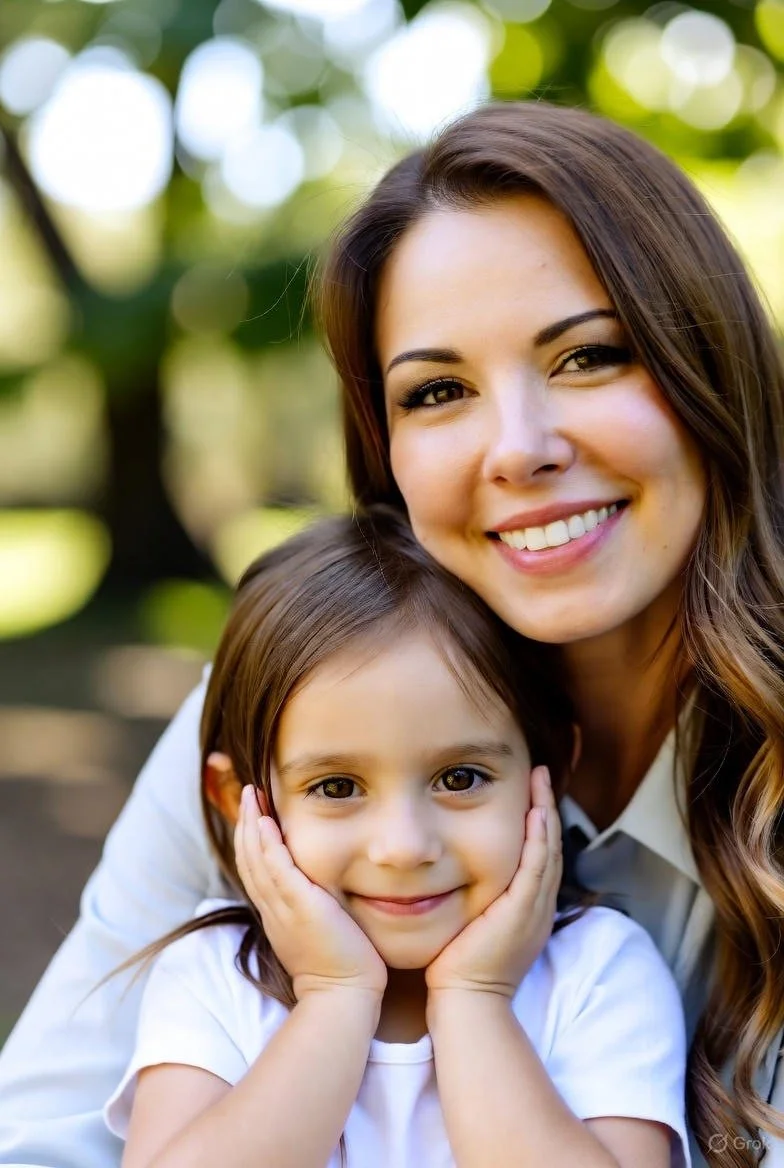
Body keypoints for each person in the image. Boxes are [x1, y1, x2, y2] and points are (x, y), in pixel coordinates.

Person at [0, 99, 781, 1168]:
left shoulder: (601, 970)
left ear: (710, 367)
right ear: (383, 442)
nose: (519, 448)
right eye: (439, 389)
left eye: (588, 357)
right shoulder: (289, 720)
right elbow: (38, 1135)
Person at [103, 508, 688, 1167]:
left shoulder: (600, 975)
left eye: (460, 776)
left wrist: (476, 1001)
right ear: (241, 802)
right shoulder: (216, 976)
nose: (405, 847)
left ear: (550, 776)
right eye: (336, 787)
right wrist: (333, 995)